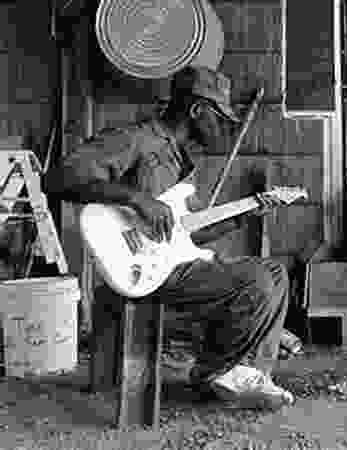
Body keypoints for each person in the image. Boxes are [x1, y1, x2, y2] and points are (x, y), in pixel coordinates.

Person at [46, 65, 295, 410]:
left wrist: (244, 216)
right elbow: (58, 178)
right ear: (196, 111)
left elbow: (190, 232)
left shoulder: (182, 161)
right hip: (141, 267)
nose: (223, 129)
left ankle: (245, 374)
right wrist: (135, 198)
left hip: (173, 262)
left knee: (275, 273)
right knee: (256, 280)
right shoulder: (135, 139)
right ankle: (216, 372)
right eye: (218, 119)